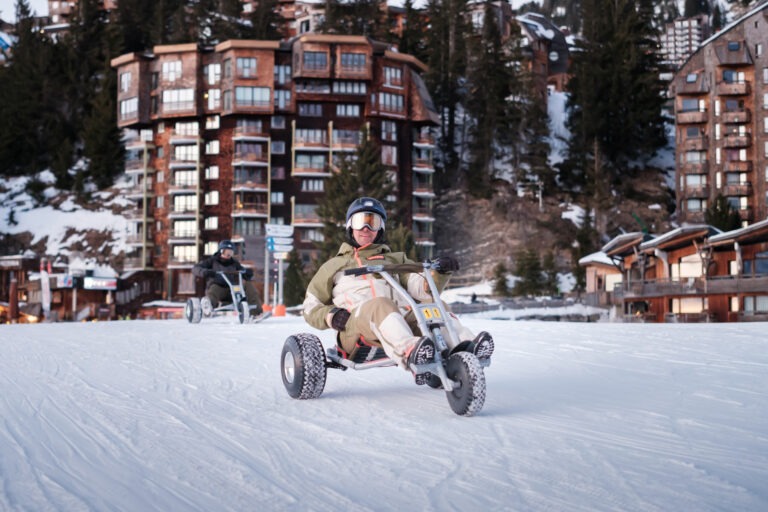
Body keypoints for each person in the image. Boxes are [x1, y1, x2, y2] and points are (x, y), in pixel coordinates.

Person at [302, 197, 493, 385]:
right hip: (354, 327)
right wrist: (331, 316)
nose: (366, 229)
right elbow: (311, 306)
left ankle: (466, 347)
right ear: (350, 225)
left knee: (433, 305)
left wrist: (440, 273)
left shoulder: (395, 260)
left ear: (381, 228)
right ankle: (410, 352)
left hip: (399, 322)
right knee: (380, 305)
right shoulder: (334, 266)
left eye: (373, 222)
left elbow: (422, 290)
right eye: (361, 222)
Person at [193, 240, 263, 317]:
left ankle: (256, 313)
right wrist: (204, 272)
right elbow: (196, 268)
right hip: (217, 287)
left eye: (230, 252)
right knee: (214, 290)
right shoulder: (212, 261)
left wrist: (248, 273)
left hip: (232, 289)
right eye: (225, 252)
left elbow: (242, 271)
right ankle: (208, 306)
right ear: (221, 251)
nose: (228, 255)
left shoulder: (234, 263)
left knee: (248, 285)